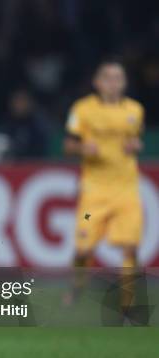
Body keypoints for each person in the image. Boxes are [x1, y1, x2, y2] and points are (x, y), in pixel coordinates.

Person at [63, 59, 144, 315]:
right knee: (83, 250)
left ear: (124, 83)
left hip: (126, 189)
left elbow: (134, 140)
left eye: (118, 78)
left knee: (130, 246)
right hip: (94, 190)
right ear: (97, 82)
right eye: (108, 78)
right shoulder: (83, 109)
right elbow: (68, 146)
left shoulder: (135, 110)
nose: (113, 83)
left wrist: (136, 146)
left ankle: (127, 306)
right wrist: (82, 148)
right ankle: (78, 285)